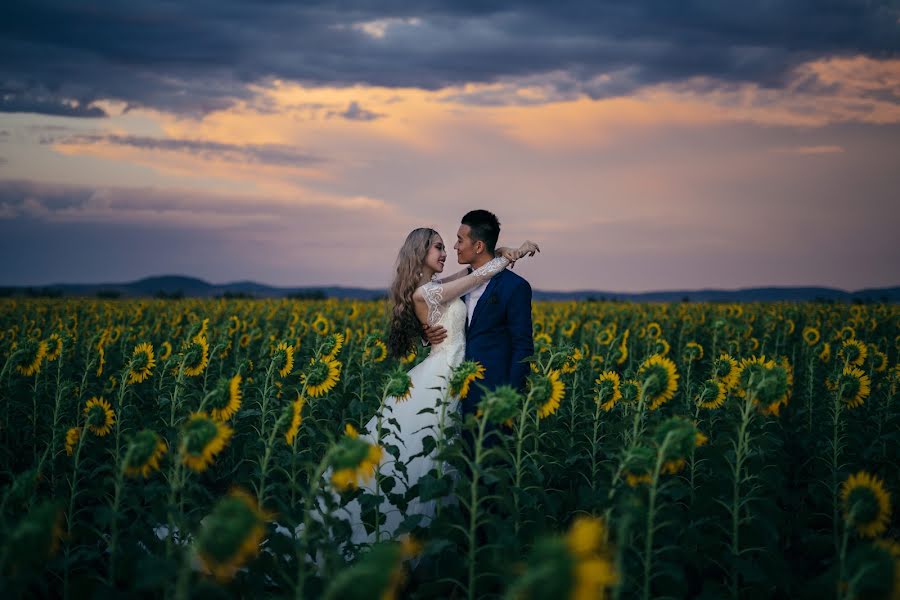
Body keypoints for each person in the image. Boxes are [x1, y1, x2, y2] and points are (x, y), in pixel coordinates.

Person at [334, 225, 538, 547]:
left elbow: (473, 268)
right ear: (420, 254)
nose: (445, 253)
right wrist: (518, 251)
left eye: (447, 246)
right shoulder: (425, 293)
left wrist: (501, 251)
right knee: (426, 458)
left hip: (457, 370)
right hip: (444, 374)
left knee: (448, 456)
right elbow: (474, 278)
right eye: (438, 248)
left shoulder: (435, 286)